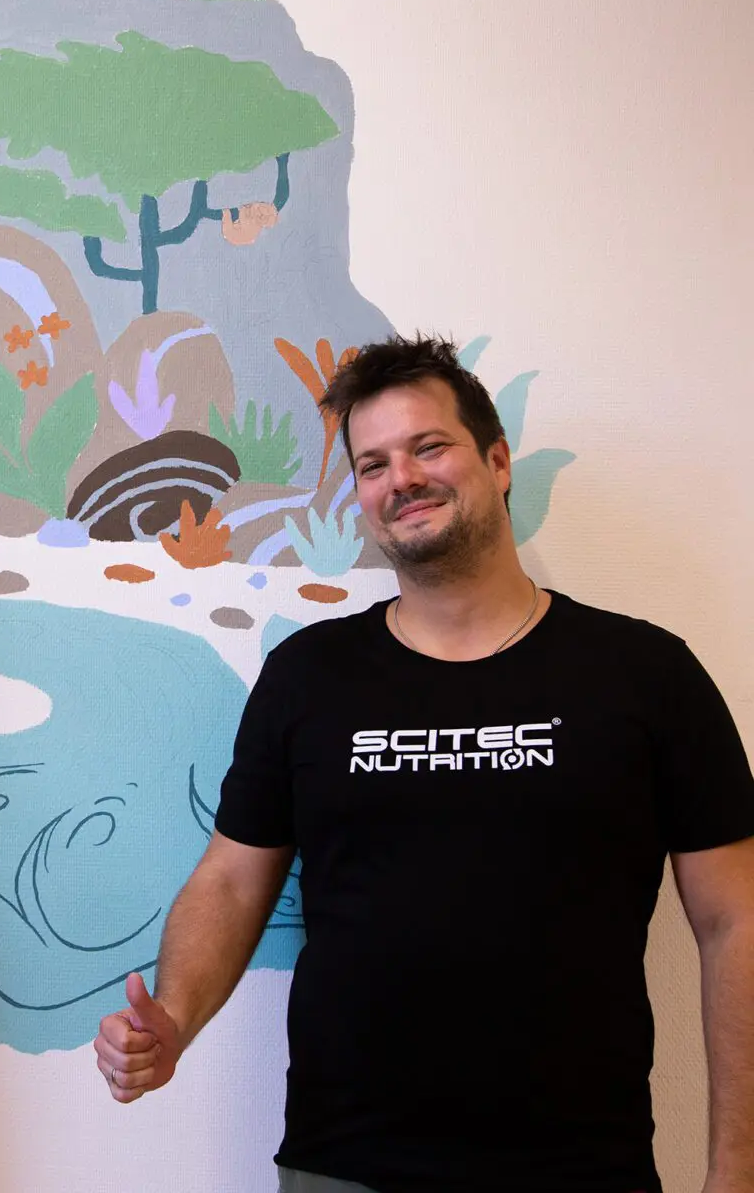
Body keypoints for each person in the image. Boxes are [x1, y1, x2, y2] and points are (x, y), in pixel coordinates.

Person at [94, 334, 754, 1193]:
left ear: (498, 462)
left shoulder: (645, 673)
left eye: (428, 447)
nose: (400, 478)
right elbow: (230, 878)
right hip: (343, 1165)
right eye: (372, 465)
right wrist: (175, 1017)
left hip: (580, 1167)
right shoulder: (308, 677)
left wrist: (736, 1168)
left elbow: (736, 921)